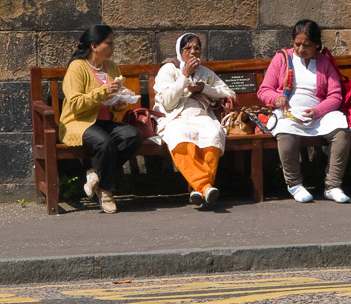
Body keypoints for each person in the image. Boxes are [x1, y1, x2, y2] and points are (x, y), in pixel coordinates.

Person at [257, 20, 351, 204]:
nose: (301, 49)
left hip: (318, 113)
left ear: (317, 44)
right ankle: (294, 184)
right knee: (285, 129)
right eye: (297, 44)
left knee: (341, 127)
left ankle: (333, 185)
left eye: (307, 45)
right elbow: (264, 90)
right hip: (289, 112)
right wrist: (276, 98)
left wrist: (318, 111)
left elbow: (335, 96)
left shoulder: (324, 62)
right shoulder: (282, 59)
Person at [59, 24, 144, 213]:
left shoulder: (112, 67)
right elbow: (75, 104)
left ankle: (96, 174)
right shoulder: (77, 68)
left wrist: (120, 102)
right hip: (79, 122)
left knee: (133, 135)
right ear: (94, 46)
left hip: (105, 122)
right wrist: (104, 90)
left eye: (113, 43)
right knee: (105, 143)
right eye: (109, 43)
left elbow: (113, 101)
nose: (113, 47)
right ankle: (106, 192)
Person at [153, 33, 236, 207]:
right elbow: (168, 103)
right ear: (179, 51)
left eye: (196, 48)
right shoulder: (168, 69)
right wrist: (184, 76)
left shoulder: (205, 72)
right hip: (176, 117)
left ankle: (198, 188)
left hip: (202, 116)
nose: (193, 52)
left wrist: (203, 88)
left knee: (214, 132)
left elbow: (229, 94)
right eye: (187, 48)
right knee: (178, 134)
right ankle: (205, 187)